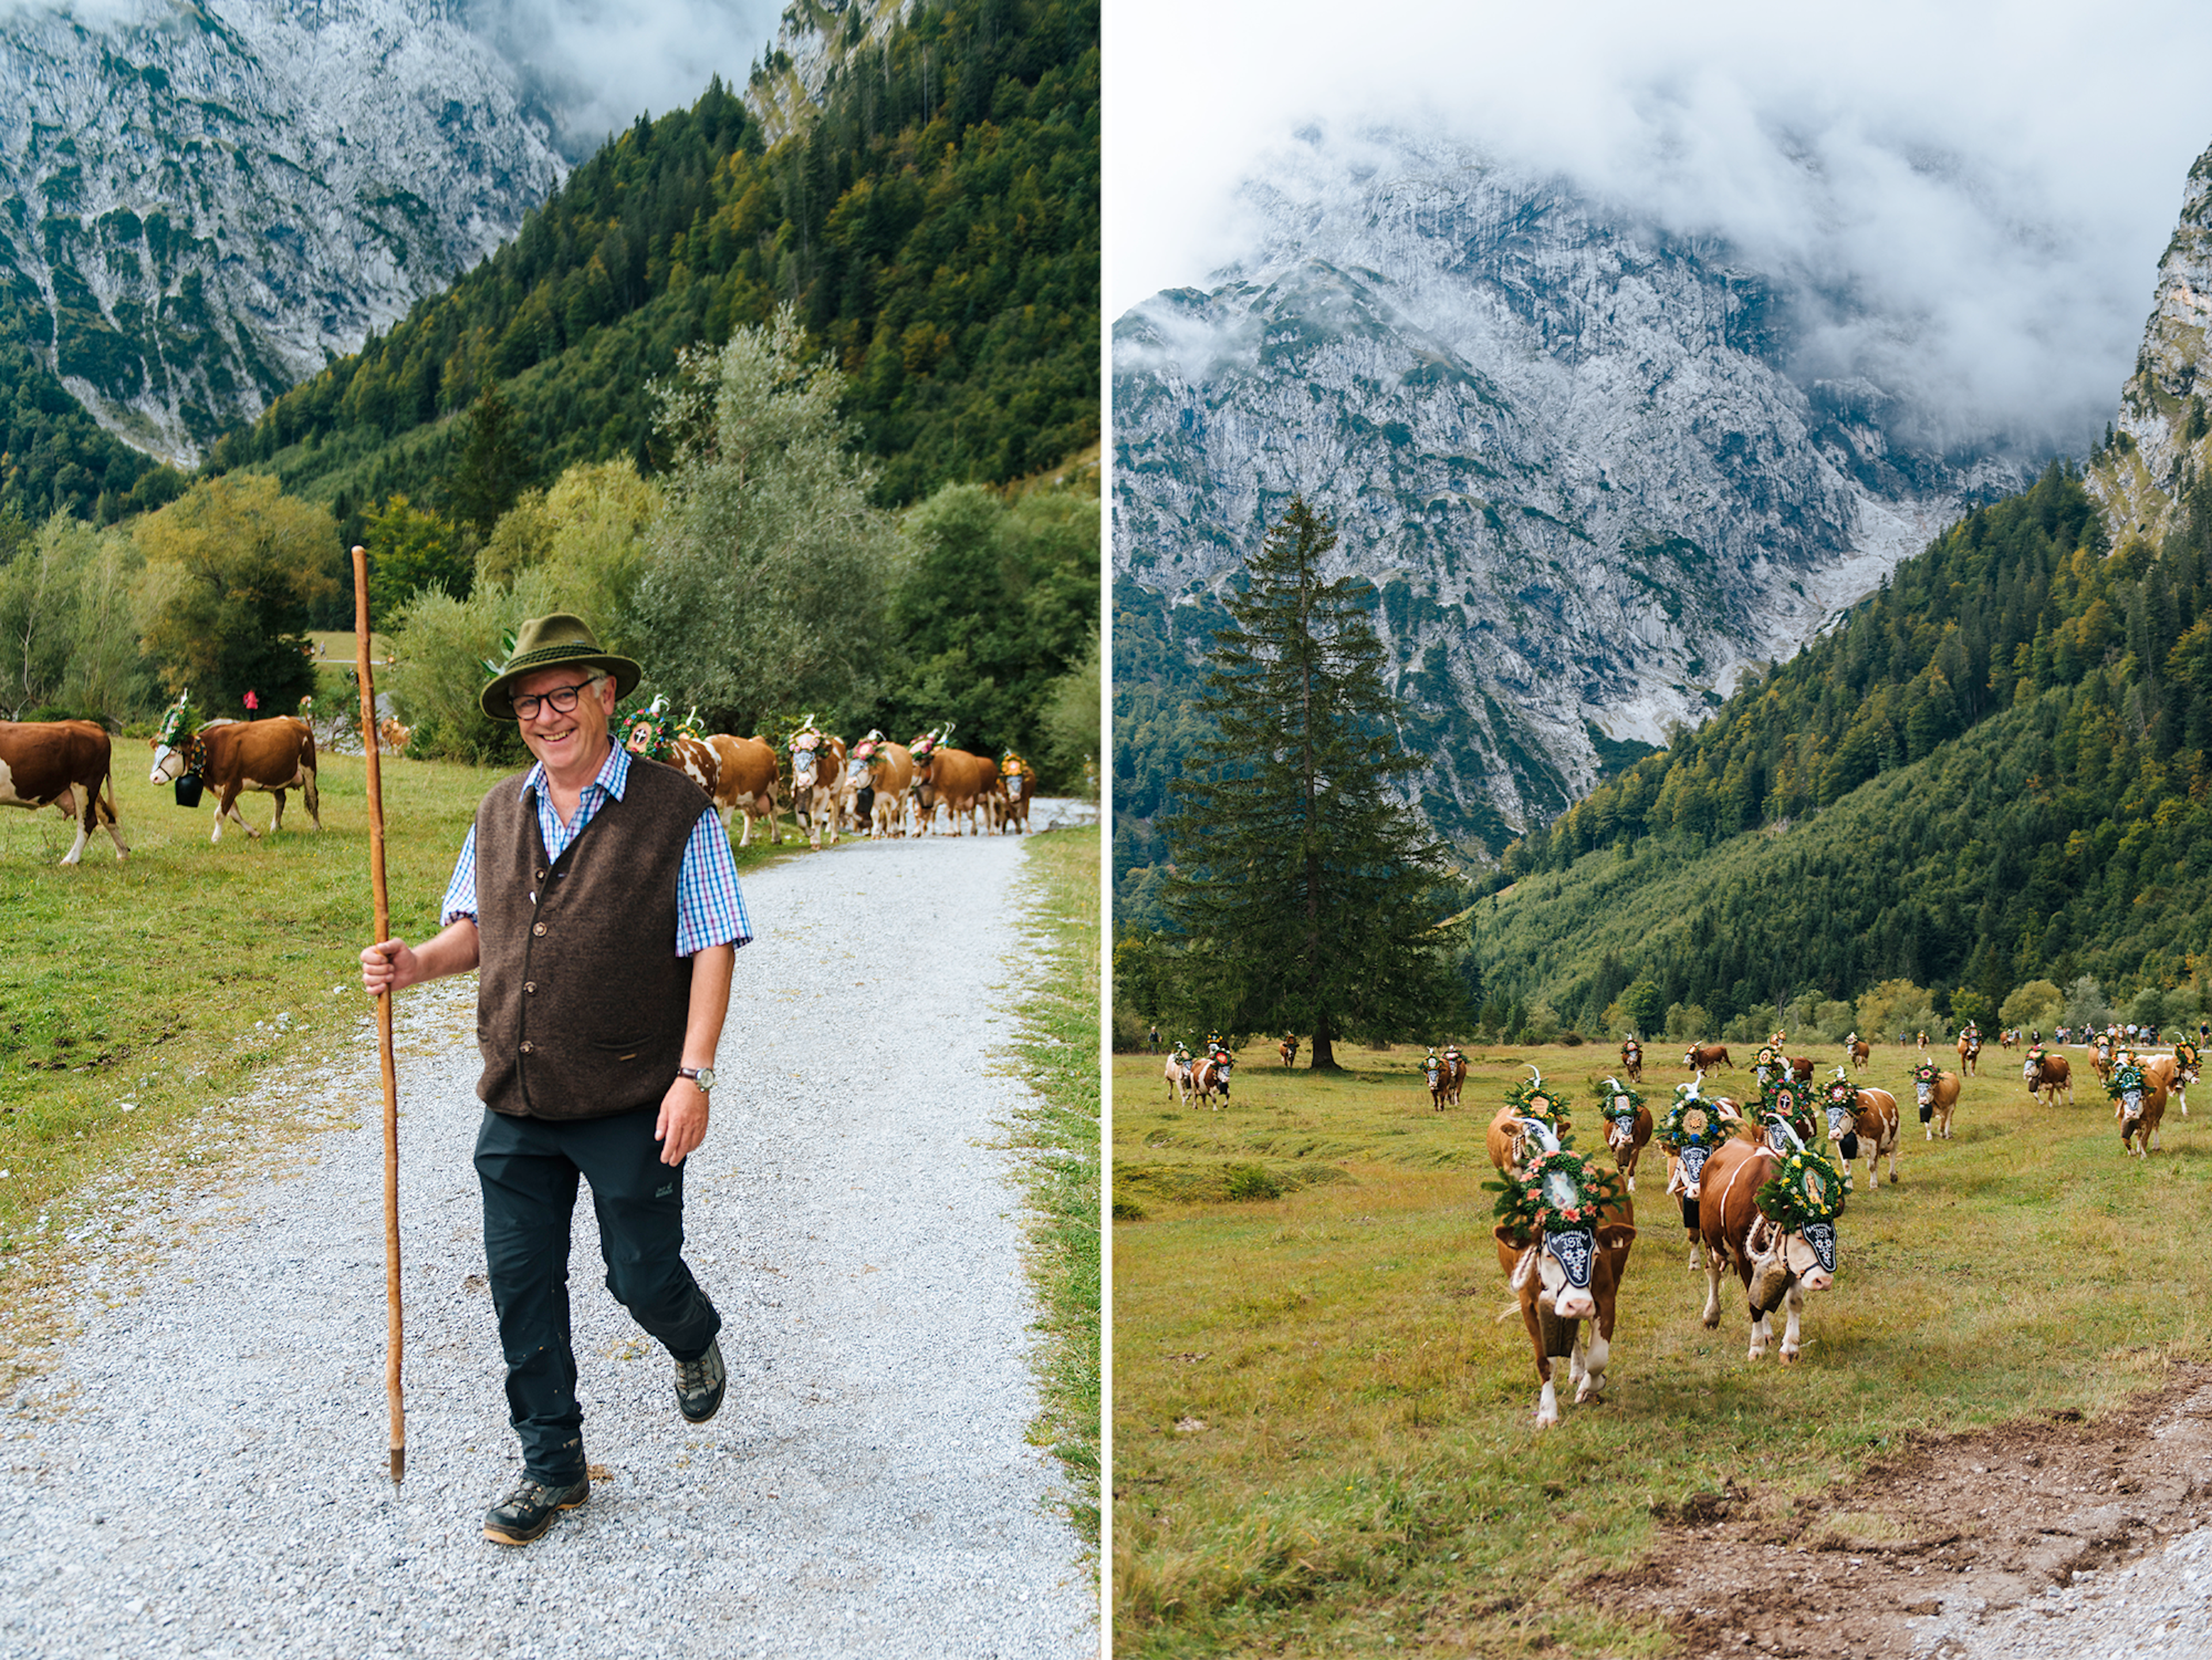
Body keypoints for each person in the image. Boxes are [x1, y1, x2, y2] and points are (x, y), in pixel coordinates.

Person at [359, 613, 751, 1547]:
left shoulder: (675, 812)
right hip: (519, 1096)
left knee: (641, 1276)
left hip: (631, 1097)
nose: (547, 715)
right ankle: (553, 1465)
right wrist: (416, 962)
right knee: (521, 1282)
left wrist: (695, 1074)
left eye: (564, 694)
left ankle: (692, 1336)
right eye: (530, 703)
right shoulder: (499, 811)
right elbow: (478, 928)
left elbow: (712, 944)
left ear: (606, 696)